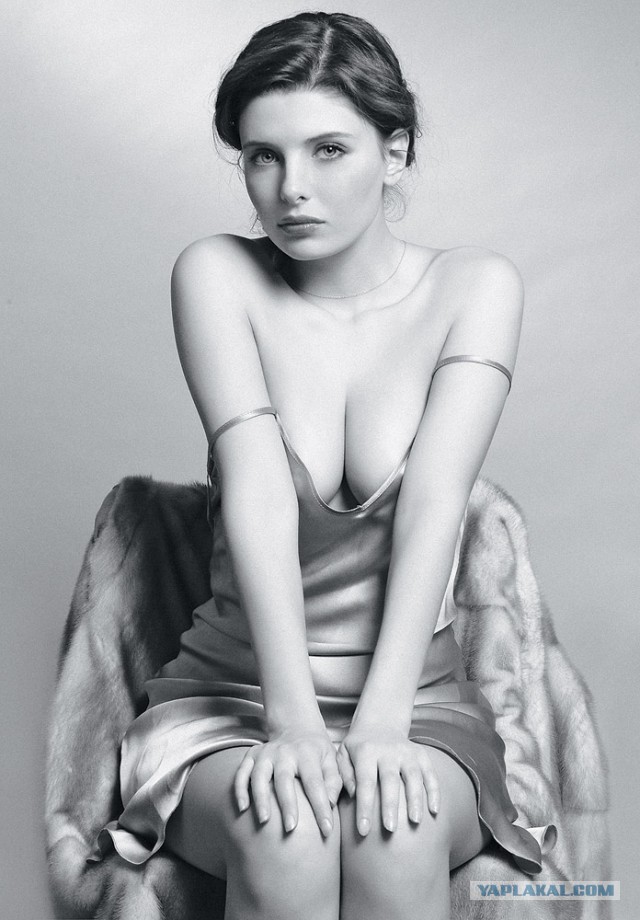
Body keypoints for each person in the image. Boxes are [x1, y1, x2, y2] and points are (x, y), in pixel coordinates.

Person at [87, 10, 557, 919]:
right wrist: (292, 723)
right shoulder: (216, 274)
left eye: (329, 150)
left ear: (396, 151)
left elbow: (434, 504)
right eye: (263, 156)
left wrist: (381, 724)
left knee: (396, 832)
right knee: (287, 830)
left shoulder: (475, 286)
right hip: (233, 695)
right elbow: (259, 495)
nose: (291, 188)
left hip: (418, 700)